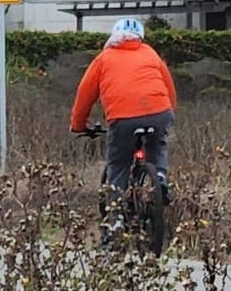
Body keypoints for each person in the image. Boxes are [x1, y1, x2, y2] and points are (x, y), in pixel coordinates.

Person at [70, 16, 176, 199]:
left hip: (123, 117)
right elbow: (169, 86)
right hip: (160, 112)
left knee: (118, 164)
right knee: (157, 146)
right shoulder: (150, 52)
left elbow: (85, 93)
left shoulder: (104, 58)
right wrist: (168, 113)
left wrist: (78, 124)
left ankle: (116, 211)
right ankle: (159, 178)